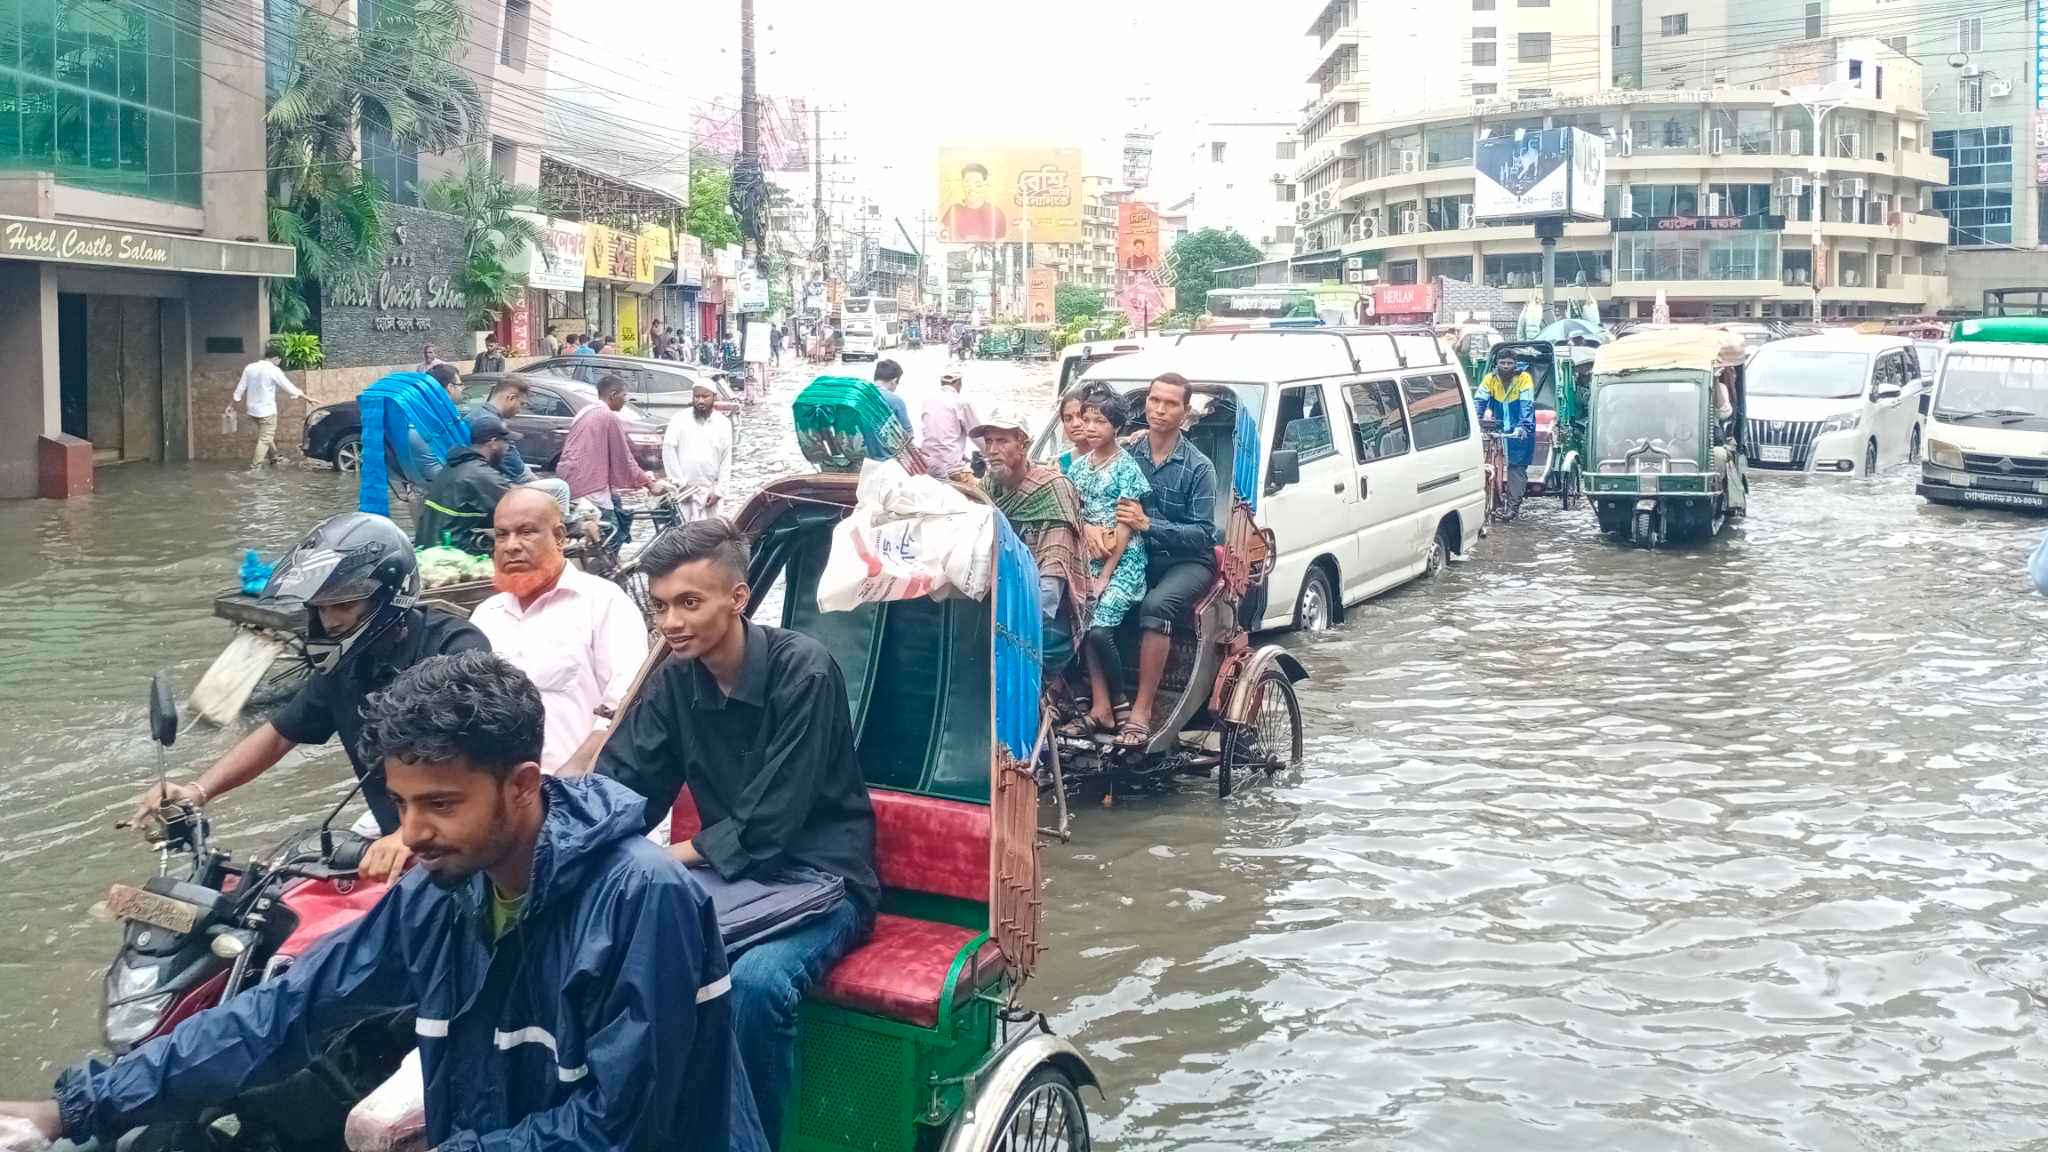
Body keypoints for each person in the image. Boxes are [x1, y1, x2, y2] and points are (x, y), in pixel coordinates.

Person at [3, 651, 768, 1152]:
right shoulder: (445, 894)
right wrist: (79, 1106)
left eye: (440, 803)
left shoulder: (643, 899)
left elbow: (621, 1128)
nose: (414, 833)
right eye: (401, 804)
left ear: (522, 785)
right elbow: (286, 1012)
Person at [594, 520, 877, 1147]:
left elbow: (769, 822)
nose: (671, 622)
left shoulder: (805, 670)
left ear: (738, 598)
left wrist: (659, 861)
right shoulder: (674, 680)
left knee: (754, 985)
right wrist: (566, 844)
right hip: (726, 878)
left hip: (822, 879)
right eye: (661, 606)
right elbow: (626, 785)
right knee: (616, 955)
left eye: (689, 603)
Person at [128, 513, 488, 883]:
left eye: (344, 606)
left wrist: (408, 834)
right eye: (320, 608)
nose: (329, 621)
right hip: (391, 854)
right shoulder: (344, 666)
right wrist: (197, 791)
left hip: (458, 856)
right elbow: (281, 733)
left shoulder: (453, 648)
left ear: (388, 596)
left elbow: (474, 762)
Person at [471, 489, 650, 774]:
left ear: (559, 537)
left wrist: (575, 774)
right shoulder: (485, 615)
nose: (511, 546)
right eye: (502, 535)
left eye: (526, 532)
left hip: (580, 787)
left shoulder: (604, 603)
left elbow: (625, 702)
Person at [1116, 373, 1221, 746]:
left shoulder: (1198, 467)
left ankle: (1142, 711)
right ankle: (1099, 700)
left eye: (1170, 403)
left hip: (1188, 561)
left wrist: (1148, 524)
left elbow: (1203, 535)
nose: (1159, 410)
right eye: (1154, 400)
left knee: (1156, 605)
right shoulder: (1129, 453)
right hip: (1139, 555)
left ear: (1184, 411)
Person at [976, 406, 1090, 677]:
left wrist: (1000, 621)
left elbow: (1050, 589)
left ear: (1024, 444)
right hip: (1002, 598)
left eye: (1002, 441)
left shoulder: (1053, 490)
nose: (992, 450)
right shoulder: (990, 486)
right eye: (988, 441)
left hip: (1048, 613)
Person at [1063, 388, 1150, 737]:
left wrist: (1105, 577)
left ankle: (1120, 701)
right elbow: (1073, 511)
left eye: (1101, 421)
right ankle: (1102, 707)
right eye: (1087, 420)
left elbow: (1126, 527)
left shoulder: (1126, 466)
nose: (1091, 427)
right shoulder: (1079, 467)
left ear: (1116, 427)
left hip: (1123, 562)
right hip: (1088, 557)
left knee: (1099, 628)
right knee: (1080, 624)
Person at [556, 374, 659, 545]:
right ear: (613, 395)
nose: (625, 400)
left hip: (571, 481)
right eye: (624, 395)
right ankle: (604, 571)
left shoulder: (585, 411)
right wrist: (650, 484)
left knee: (615, 512)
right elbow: (624, 460)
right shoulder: (608, 416)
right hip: (590, 485)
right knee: (614, 534)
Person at [416, 409, 517, 554]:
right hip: (452, 554)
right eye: (506, 442)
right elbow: (519, 507)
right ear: (493, 442)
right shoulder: (481, 474)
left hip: (430, 546)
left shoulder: (454, 465)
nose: (508, 448)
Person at [467, 375, 572, 513]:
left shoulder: (475, 414)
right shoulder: (492, 424)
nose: (520, 410)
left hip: (486, 481)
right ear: (511, 398)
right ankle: (563, 530)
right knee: (560, 488)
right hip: (497, 486)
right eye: (522, 404)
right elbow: (518, 472)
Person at [661, 380, 734, 522]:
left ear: (714, 397)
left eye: (705, 396)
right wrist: (679, 485)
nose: (700, 400)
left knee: (711, 536)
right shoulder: (679, 420)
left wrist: (719, 492)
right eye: (697, 396)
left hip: (710, 493)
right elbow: (668, 452)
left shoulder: (723, 424)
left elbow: (726, 459)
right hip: (684, 493)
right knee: (684, 535)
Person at [1478, 346, 1537, 519]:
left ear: (1515, 365)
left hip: (1520, 431)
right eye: (1502, 363)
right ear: (1496, 364)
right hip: (1497, 429)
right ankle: (1492, 502)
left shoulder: (1524, 378)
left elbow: (1527, 405)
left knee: (1516, 468)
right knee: (1489, 462)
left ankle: (1513, 507)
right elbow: (1479, 400)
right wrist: (1476, 420)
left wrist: (1523, 426)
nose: (1505, 366)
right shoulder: (1490, 379)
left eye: (1509, 363)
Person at [229, 343, 303, 471]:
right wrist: (306, 397)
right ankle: (255, 467)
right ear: (276, 358)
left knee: (266, 435)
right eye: (280, 359)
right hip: (267, 411)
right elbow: (289, 387)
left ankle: (274, 457)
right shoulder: (273, 369)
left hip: (253, 410)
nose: (280, 362)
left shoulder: (250, 367)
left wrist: (230, 404)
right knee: (264, 438)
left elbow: (240, 388)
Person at [919, 371, 978, 479]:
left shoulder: (927, 401)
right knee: (983, 492)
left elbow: (941, 435)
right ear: (959, 383)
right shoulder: (961, 402)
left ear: (941, 383)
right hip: (952, 469)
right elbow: (977, 435)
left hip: (927, 464)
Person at [940, 161, 1008, 242]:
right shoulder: (953, 211)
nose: (972, 189)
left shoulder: (996, 213)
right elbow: (943, 242)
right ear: (962, 183)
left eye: (977, 184)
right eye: (967, 184)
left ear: (985, 185)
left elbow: (1000, 247)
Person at [871, 358, 915, 444]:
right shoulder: (895, 401)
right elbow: (908, 434)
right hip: (883, 453)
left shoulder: (861, 395)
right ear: (894, 381)